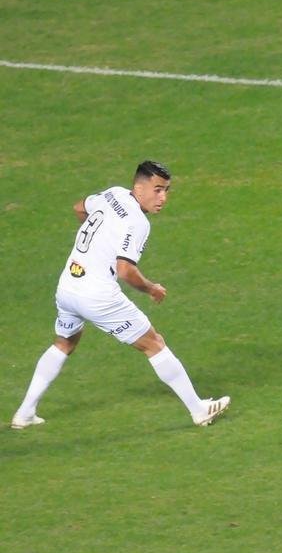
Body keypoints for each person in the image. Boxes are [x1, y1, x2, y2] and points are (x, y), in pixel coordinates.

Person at [10, 161, 230, 429]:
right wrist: (151, 288)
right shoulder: (138, 223)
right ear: (139, 188)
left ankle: (24, 413)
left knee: (64, 342)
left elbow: (79, 207)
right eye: (157, 190)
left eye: (167, 191)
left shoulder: (113, 193)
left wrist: (97, 243)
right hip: (98, 295)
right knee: (154, 343)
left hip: (68, 285)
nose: (163, 198)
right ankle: (199, 410)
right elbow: (125, 270)